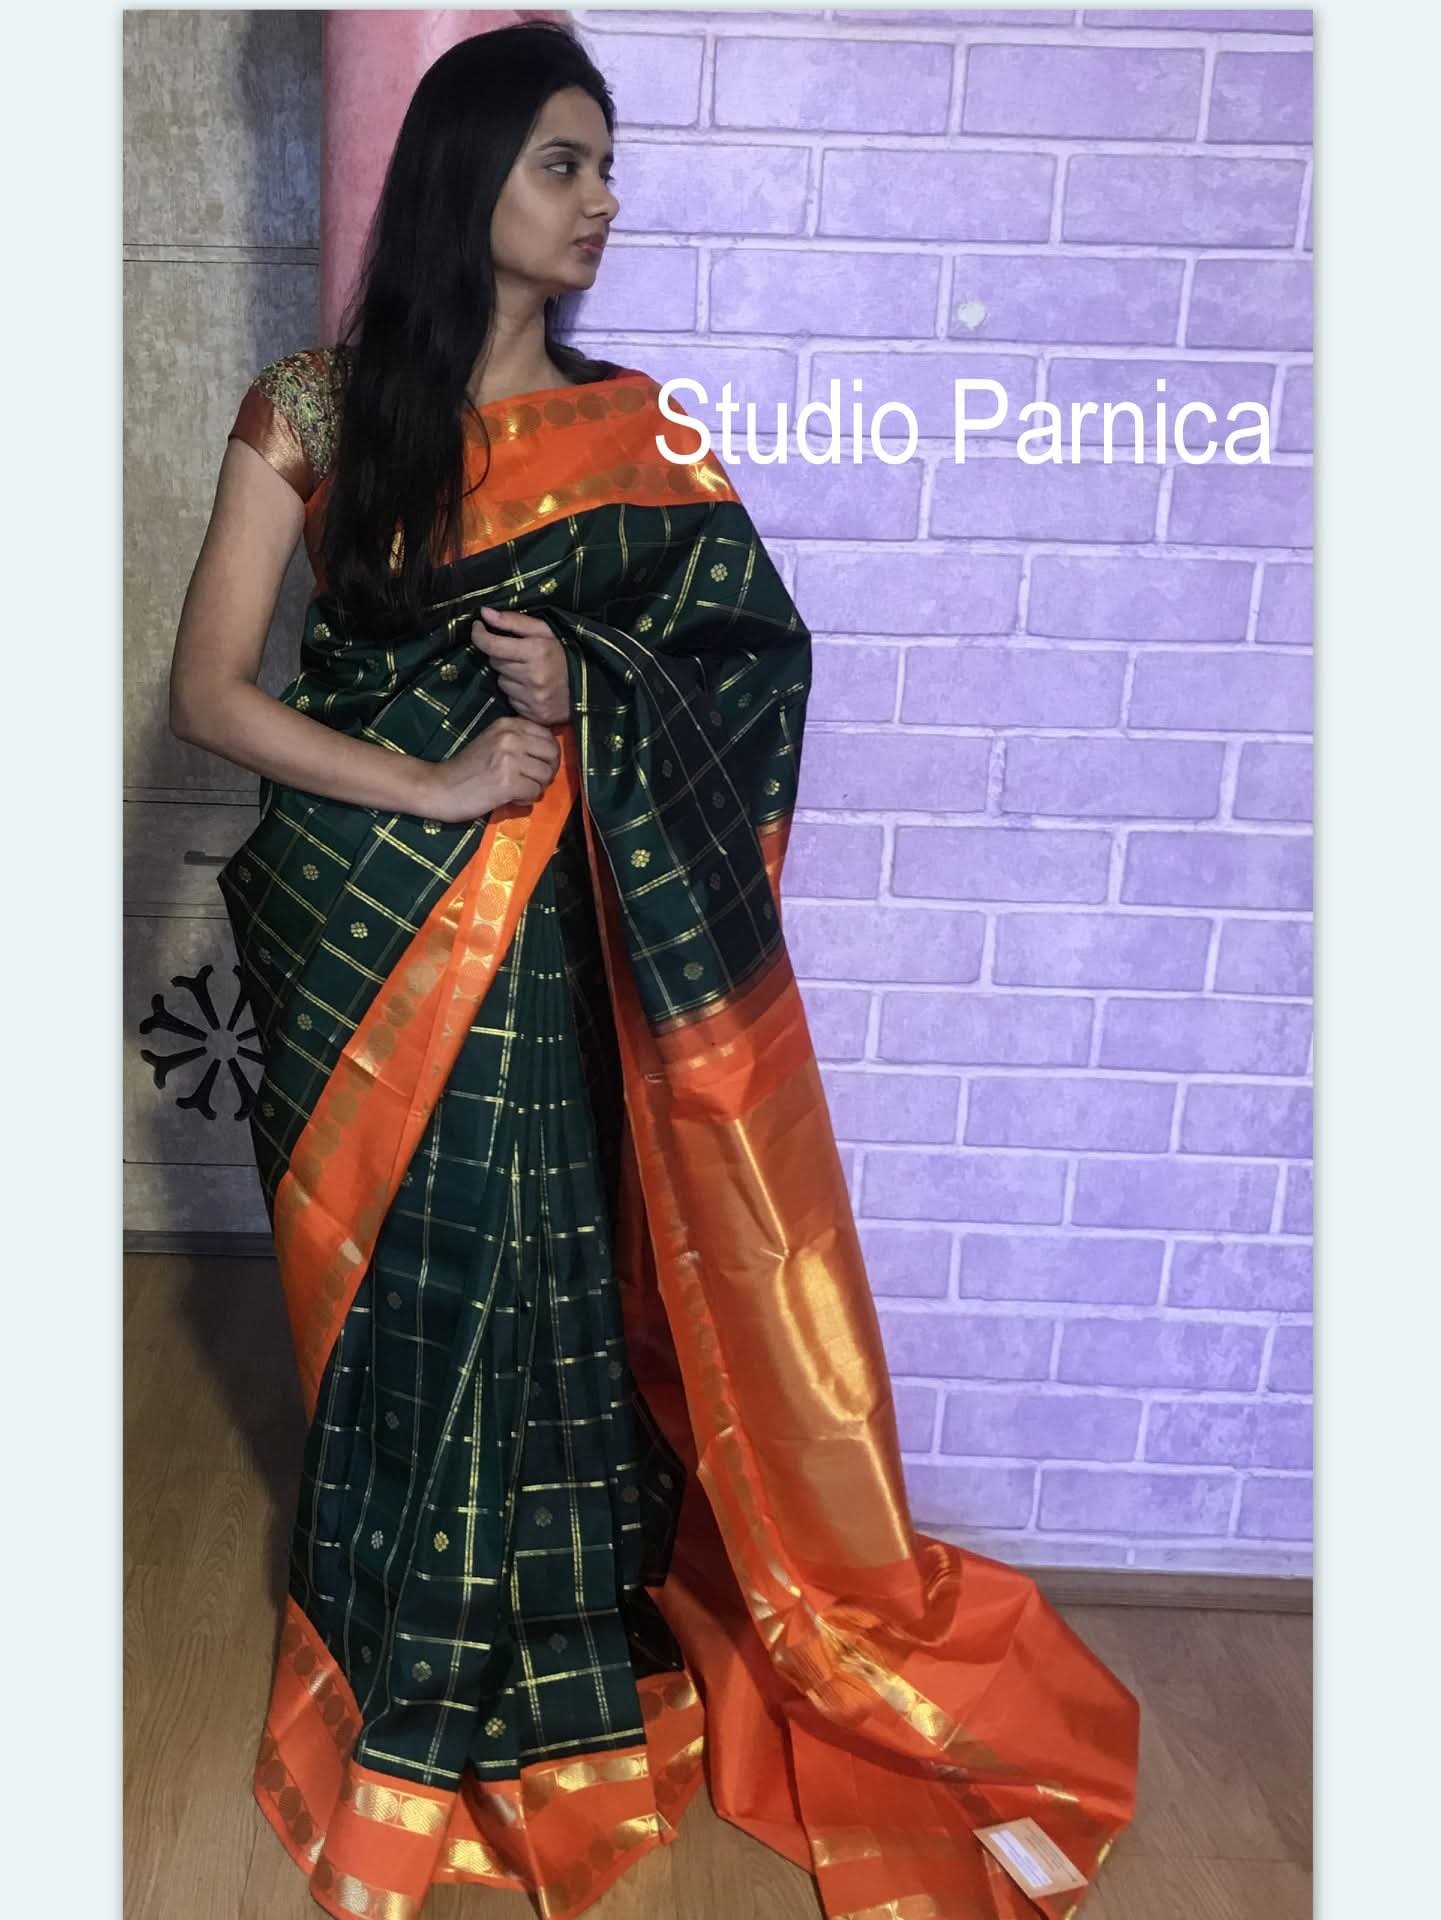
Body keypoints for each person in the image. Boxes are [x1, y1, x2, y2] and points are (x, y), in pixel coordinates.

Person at [168, 22, 1139, 1920]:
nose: (601, 201)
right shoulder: (316, 407)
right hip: (367, 939)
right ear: (466, 175)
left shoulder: (641, 431)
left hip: (562, 941)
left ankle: (556, 1653)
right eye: (565, 162)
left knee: (555, 1276)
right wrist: (436, 780)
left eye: (607, 167)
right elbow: (209, 693)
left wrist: (589, 682)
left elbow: (756, 666)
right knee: (411, 1293)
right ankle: (399, 1639)